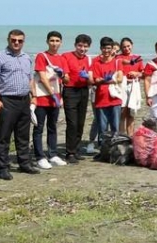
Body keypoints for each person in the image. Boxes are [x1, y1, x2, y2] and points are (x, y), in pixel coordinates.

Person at [0, 29, 38, 179]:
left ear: (23, 41)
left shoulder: (26, 58)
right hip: (7, 100)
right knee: (5, 135)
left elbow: (30, 79)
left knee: (23, 135)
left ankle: (24, 163)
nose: (16, 43)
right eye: (13, 40)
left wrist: (34, 95)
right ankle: (2, 167)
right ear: (8, 40)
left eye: (20, 40)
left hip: (24, 100)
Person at [32, 31, 68, 169]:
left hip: (55, 99)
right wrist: (51, 93)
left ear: (61, 43)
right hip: (42, 98)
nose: (54, 43)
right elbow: (42, 77)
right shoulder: (42, 56)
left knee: (52, 127)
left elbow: (66, 79)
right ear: (47, 41)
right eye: (52, 40)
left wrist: (62, 74)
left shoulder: (62, 58)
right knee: (39, 127)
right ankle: (40, 156)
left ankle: (53, 154)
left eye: (57, 41)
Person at [61, 34, 92, 163]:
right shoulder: (66, 56)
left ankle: (76, 149)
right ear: (75, 45)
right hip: (70, 91)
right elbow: (65, 76)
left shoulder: (88, 59)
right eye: (80, 46)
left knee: (80, 122)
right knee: (72, 123)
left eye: (85, 46)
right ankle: (70, 152)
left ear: (88, 47)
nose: (82, 49)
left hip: (83, 90)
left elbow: (91, 78)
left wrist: (88, 77)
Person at [90, 36, 124, 143]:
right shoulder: (96, 63)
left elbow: (119, 79)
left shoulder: (117, 62)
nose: (107, 51)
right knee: (102, 129)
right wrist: (108, 80)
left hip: (115, 99)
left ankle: (114, 149)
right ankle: (103, 150)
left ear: (112, 49)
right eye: (104, 48)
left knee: (115, 128)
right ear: (101, 48)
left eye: (109, 48)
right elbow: (95, 80)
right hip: (101, 99)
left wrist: (104, 80)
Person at [116, 37, 143, 136]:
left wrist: (137, 74)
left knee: (131, 112)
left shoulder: (138, 58)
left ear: (132, 45)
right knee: (122, 112)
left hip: (134, 86)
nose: (126, 49)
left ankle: (130, 136)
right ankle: (122, 136)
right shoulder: (118, 58)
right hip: (121, 86)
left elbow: (143, 73)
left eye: (128, 46)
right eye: (124, 47)